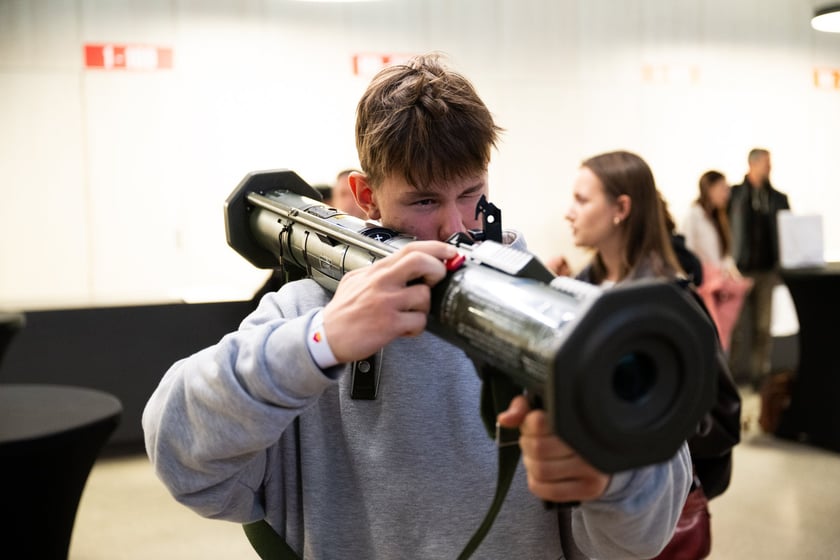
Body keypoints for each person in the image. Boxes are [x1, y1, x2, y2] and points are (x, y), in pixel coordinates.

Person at [142, 55, 691, 559]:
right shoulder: (305, 313)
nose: (454, 227)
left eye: (471, 194)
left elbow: (643, 538)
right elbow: (179, 455)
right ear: (367, 195)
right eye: (424, 200)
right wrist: (321, 343)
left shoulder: (555, 308)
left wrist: (611, 482)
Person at [562, 150, 741, 560]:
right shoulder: (581, 289)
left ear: (621, 209)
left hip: (648, 517)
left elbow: (723, 415)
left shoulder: (669, 307)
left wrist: (645, 432)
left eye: (582, 200)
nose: (568, 213)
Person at [727, 148, 790, 390]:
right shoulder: (736, 195)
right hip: (740, 270)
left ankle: (758, 377)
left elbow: (785, 229)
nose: (769, 167)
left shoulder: (776, 198)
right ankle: (729, 377)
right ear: (752, 164)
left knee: (763, 327)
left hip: (766, 270)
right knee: (737, 328)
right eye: (766, 162)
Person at [682, 171, 752, 351]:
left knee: (721, 339)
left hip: (719, 287)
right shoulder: (693, 216)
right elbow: (687, 253)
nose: (726, 194)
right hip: (703, 287)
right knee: (711, 338)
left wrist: (732, 277)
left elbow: (724, 256)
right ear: (709, 189)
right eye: (722, 189)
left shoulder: (717, 219)